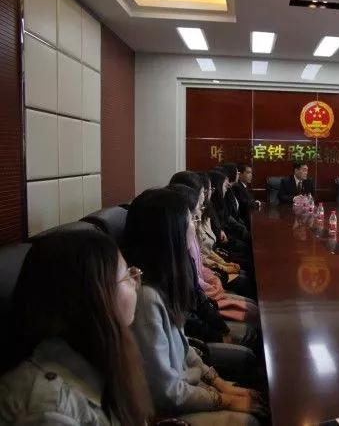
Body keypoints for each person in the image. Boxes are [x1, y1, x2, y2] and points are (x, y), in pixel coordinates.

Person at [124, 189, 263, 424]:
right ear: (170, 234)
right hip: (169, 412)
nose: (195, 224)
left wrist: (219, 383)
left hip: (188, 386)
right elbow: (167, 393)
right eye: (190, 220)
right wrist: (223, 399)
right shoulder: (146, 298)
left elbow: (183, 345)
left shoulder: (163, 282)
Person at [0, 229, 151, 425]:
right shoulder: (51, 411)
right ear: (95, 298)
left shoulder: (96, 354)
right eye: (127, 275)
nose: (136, 280)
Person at [233, 164, 261, 229]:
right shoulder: (237, 187)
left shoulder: (244, 186)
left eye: (251, 173)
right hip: (242, 220)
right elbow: (244, 204)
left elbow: (250, 200)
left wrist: (254, 202)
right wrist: (256, 203)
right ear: (240, 174)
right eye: (248, 173)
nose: (251, 175)